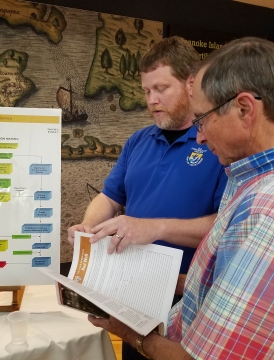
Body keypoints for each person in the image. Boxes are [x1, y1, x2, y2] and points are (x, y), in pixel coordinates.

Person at [87, 37, 274, 360]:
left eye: (203, 119)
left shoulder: (269, 215)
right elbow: (222, 282)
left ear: (244, 108)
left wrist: (128, 333)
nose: (200, 135)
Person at [67, 36, 228, 360]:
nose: (152, 100)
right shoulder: (138, 140)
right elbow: (110, 197)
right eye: (146, 91)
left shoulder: (217, 143)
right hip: (132, 288)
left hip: (189, 294)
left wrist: (155, 227)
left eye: (161, 89)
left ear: (190, 84)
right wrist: (88, 225)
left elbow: (226, 226)